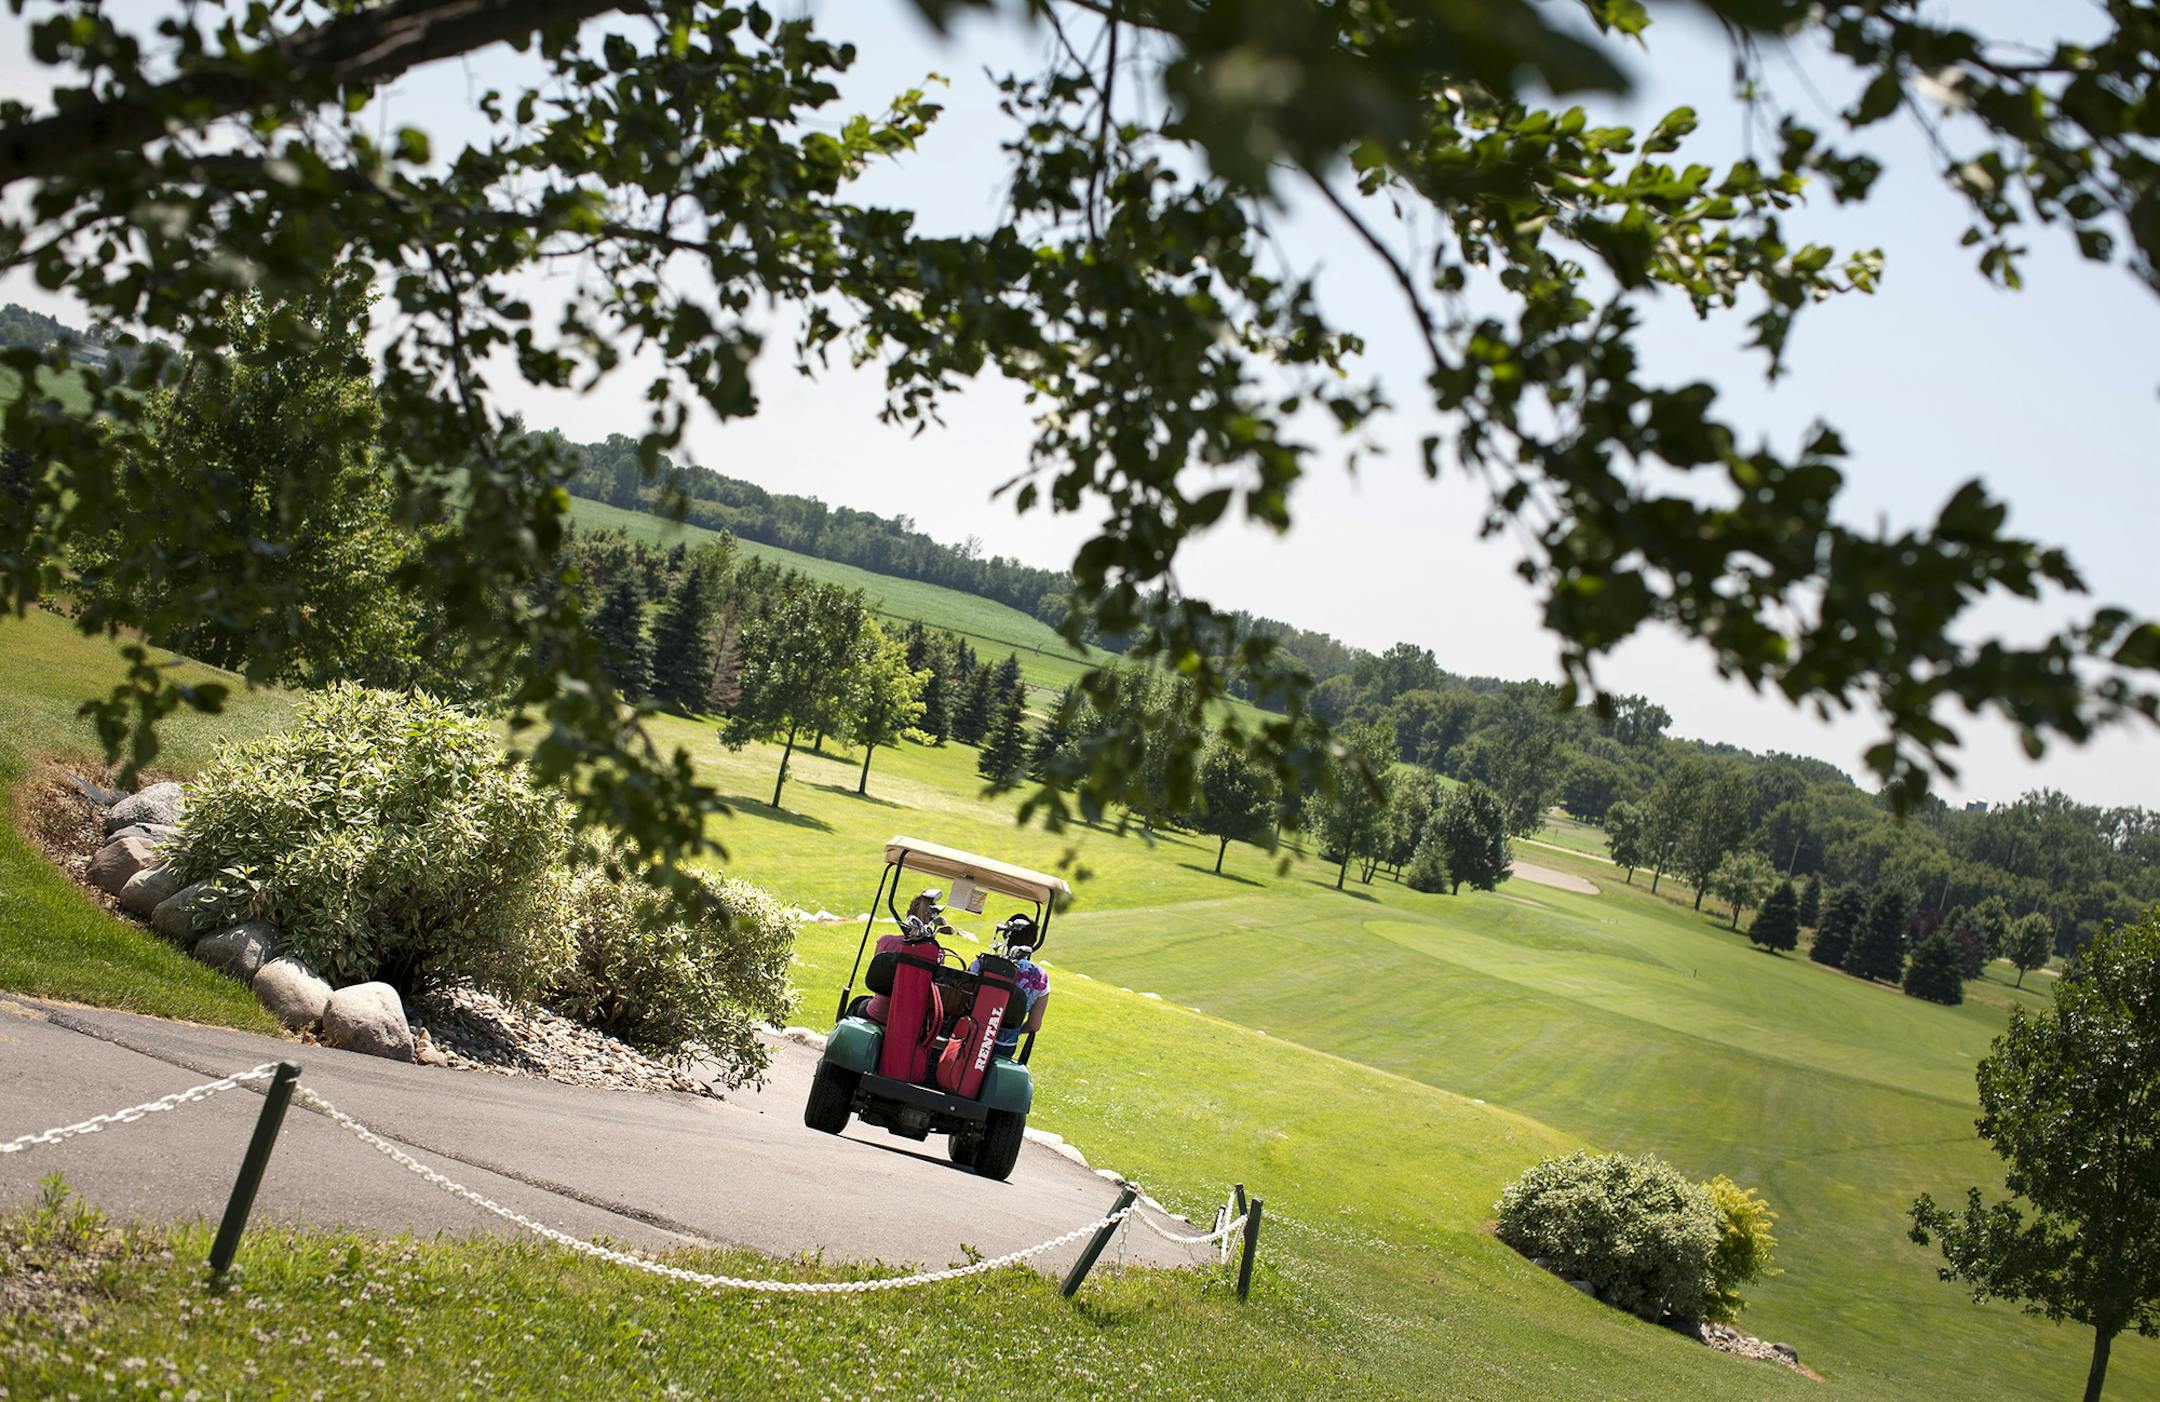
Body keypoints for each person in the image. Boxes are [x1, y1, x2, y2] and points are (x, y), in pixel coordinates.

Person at [970, 913, 1050, 1056]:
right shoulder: (1040, 976)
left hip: (972, 1034)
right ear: (1032, 941)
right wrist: (1015, 1031)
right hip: (1005, 1045)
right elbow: (1034, 1025)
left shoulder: (982, 963)